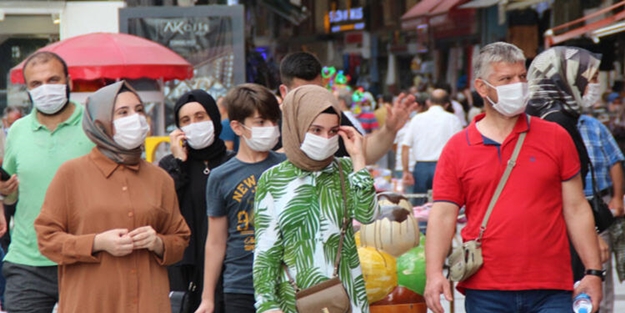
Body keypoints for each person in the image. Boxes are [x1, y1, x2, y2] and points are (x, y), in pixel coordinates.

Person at [424, 42, 603, 313]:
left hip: (552, 287)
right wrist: (434, 274)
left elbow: (576, 208)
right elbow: (442, 215)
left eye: (521, 77)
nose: (517, 85)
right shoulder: (458, 147)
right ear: (482, 87)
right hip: (485, 290)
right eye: (506, 79)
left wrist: (593, 271)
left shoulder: (555, 136)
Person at [34, 80, 191, 312]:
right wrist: (96, 243)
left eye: (139, 110)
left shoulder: (160, 179)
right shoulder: (71, 174)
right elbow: (47, 240)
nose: (135, 118)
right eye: (122, 112)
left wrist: (158, 242)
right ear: (101, 123)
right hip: (91, 303)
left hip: (148, 303)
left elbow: (180, 239)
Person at [253, 85, 378, 313]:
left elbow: (367, 215)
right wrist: (267, 304)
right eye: (316, 130)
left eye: (333, 131)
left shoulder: (347, 169)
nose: (325, 138)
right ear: (297, 127)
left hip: (348, 299)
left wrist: (359, 159)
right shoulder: (273, 180)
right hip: (293, 302)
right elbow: (266, 250)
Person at [0, 51, 95, 313]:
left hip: (85, 257)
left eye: (53, 80)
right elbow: (12, 194)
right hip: (27, 260)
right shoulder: (18, 130)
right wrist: (5, 192)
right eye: (36, 84)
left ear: (69, 82)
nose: (45, 89)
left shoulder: (94, 123)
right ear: (28, 90)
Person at [195, 83, 285, 313]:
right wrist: (207, 298)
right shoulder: (221, 176)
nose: (271, 128)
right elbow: (215, 241)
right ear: (237, 127)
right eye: (261, 122)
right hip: (240, 287)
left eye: (274, 121)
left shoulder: (286, 167)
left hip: (284, 283)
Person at [159, 90, 236, 313]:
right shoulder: (169, 166)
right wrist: (178, 164)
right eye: (186, 120)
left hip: (228, 266)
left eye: (200, 117)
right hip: (185, 271)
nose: (194, 124)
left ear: (213, 116)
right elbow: (164, 210)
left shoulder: (231, 162)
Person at [277, 51, 417, 164]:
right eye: (301, 94)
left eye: (317, 91)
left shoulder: (330, 115)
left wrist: (389, 130)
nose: (311, 99)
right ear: (284, 92)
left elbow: (364, 152)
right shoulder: (269, 120)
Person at [578, 113, 625, 313]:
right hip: (569, 205)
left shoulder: (594, 126)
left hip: (598, 204)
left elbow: (615, 162)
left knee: (598, 263)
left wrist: (617, 197)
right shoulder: (549, 123)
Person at [401, 89, 462, 204]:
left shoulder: (417, 119)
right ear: (446, 104)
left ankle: (422, 223)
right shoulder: (453, 120)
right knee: (442, 204)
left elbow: (405, 146)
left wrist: (406, 171)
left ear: (429, 102)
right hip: (444, 167)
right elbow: (459, 148)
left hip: (421, 167)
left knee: (419, 206)